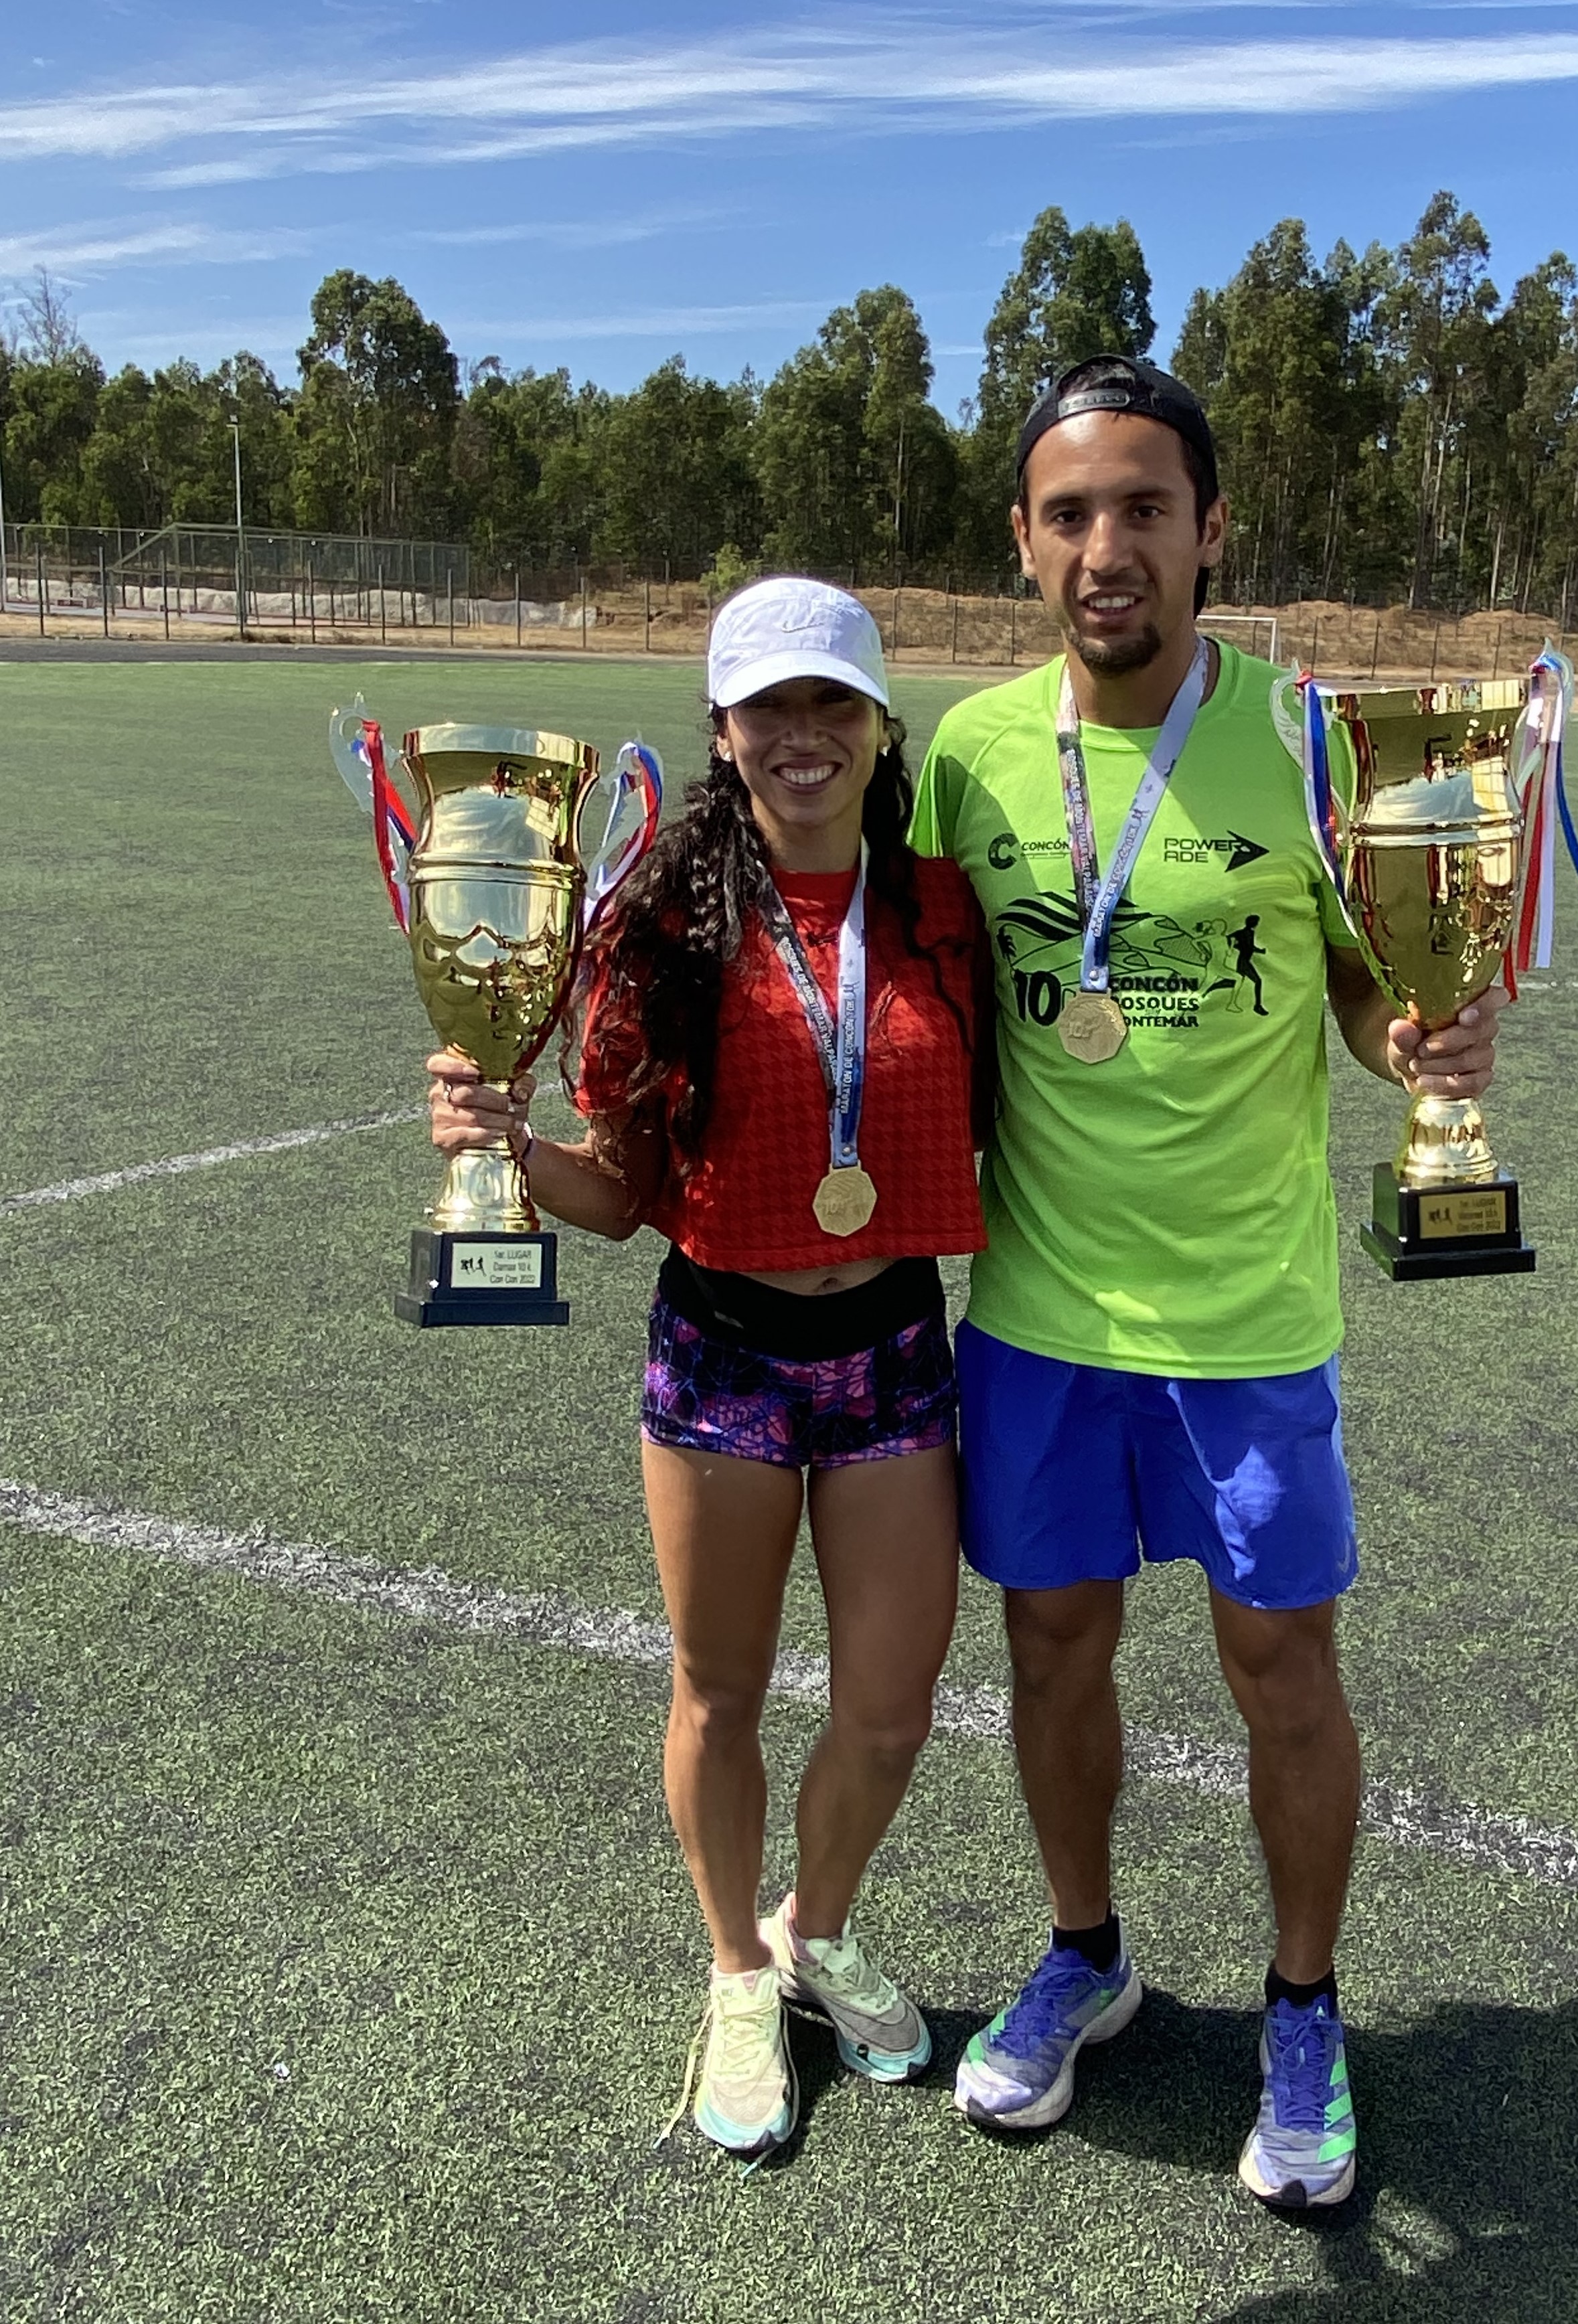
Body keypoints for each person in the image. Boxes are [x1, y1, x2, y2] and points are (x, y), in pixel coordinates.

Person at [909, 357, 1506, 2209]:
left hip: (1247, 1318)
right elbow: (926, 1004)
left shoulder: (1317, 748)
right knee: (1050, 1644)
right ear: (1024, 543)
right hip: (1035, 1313)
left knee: (1282, 1669)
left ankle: (1305, 2008)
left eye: (1146, 508)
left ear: (1211, 529)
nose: (1111, 548)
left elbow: (1356, 978)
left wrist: (1415, 1038)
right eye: (1073, 513)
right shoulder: (965, 756)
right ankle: (1087, 1955)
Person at [427, 578, 988, 2160]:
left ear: (881, 729)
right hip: (723, 1352)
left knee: (888, 1708)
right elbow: (619, 1193)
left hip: (891, 1348)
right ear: (723, 732)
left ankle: (816, 1921)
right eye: (769, 708)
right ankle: (737, 1964)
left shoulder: (943, 907)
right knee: (720, 1688)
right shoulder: (657, 921)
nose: (802, 736)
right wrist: (503, 1153)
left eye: (833, 705)